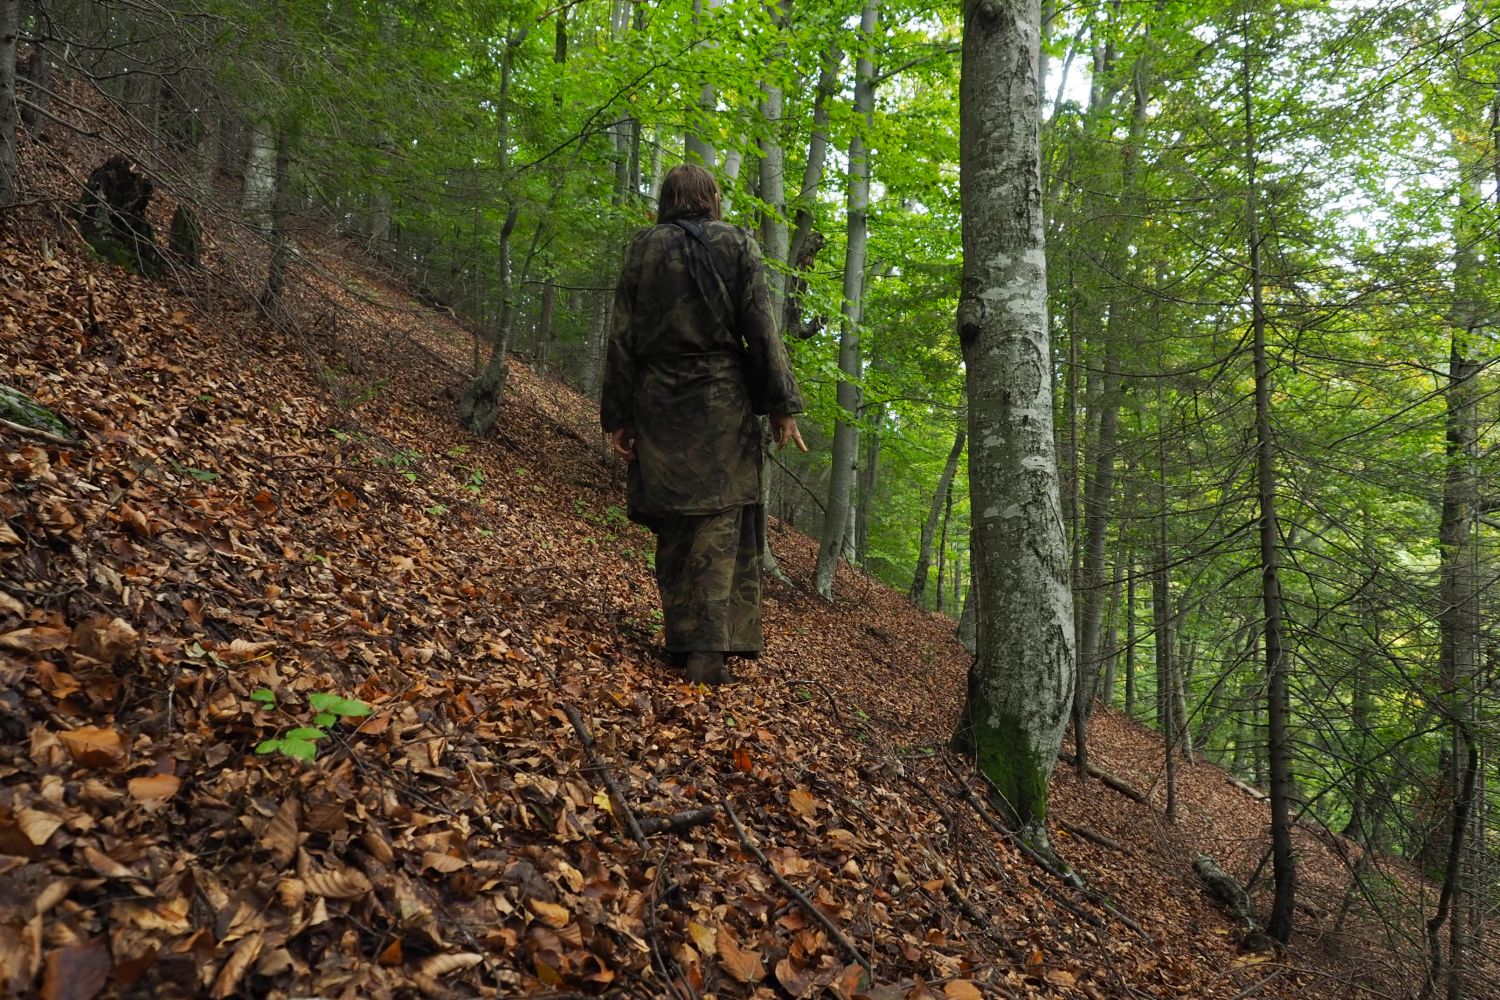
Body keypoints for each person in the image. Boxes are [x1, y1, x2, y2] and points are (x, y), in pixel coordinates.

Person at [600, 164, 807, 686]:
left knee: (674, 525)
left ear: (667, 200)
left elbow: (621, 337)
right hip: (720, 405)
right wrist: (782, 403)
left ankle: (683, 642)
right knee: (718, 523)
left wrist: (619, 415)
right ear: (711, 198)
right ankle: (707, 652)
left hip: (658, 401)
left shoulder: (641, 248)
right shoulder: (737, 244)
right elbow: (762, 328)